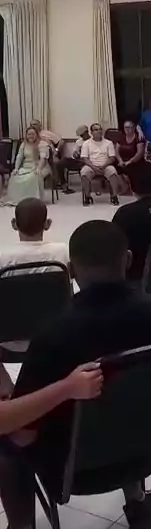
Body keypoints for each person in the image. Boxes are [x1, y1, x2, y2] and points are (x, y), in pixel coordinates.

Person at [0, 220, 151, 529]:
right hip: (145, 450)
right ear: (129, 259)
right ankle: (138, 504)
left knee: (9, 440)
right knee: (126, 402)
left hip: (72, 470)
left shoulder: (54, 334)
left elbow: (21, 433)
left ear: (71, 271)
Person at [0, 197, 69, 356]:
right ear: (47, 224)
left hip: (9, 341)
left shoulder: (2, 257)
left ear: (14, 224)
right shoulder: (61, 251)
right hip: (56, 337)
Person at [7, 127, 51, 205]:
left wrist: (39, 168)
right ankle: (20, 199)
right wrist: (16, 168)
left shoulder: (42, 144)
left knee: (33, 177)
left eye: (33, 134)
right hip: (26, 167)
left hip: (41, 166)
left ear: (37, 135)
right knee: (15, 176)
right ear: (26, 135)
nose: (31, 136)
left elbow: (43, 158)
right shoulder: (23, 144)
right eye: (29, 134)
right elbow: (19, 157)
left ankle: (34, 200)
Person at [80, 123, 120, 206]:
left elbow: (112, 157)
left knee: (113, 172)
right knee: (84, 173)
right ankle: (87, 196)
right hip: (91, 166)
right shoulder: (86, 143)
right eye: (96, 130)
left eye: (100, 129)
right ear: (91, 132)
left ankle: (114, 196)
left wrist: (103, 166)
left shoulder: (108, 143)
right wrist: (94, 167)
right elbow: (85, 158)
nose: (99, 131)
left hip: (106, 165)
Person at [30, 120, 64, 189]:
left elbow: (61, 141)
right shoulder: (30, 135)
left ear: (40, 126)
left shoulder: (46, 133)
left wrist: (56, 150)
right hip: (36, 155)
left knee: (57, 163)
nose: (33, 126)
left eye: (35, 124)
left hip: (50, 154)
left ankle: (59, 183)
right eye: (31, 125)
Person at [59, 124, 90, 193]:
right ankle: (63, 184)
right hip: (78, 160)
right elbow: (75, 152)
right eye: (81, 136)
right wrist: (76, 154)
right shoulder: (79, 142)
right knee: (61, 162)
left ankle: (86, 186)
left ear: (87, 132)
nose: (82, 137)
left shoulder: (92, 141)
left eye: (83, 135)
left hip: (87, 161)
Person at [116, 119, 146, 190]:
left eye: (129, 127)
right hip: (122, 161)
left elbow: (140, 153)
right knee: (115, 168)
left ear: (134, 128)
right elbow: (116, 151)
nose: (127, 129)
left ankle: (133, 188)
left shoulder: (138, 137)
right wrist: (120, 160)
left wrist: (129, 162)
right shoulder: (121, 137)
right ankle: (124, 187)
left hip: (135, 161)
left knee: (131, 169)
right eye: (125, 127)